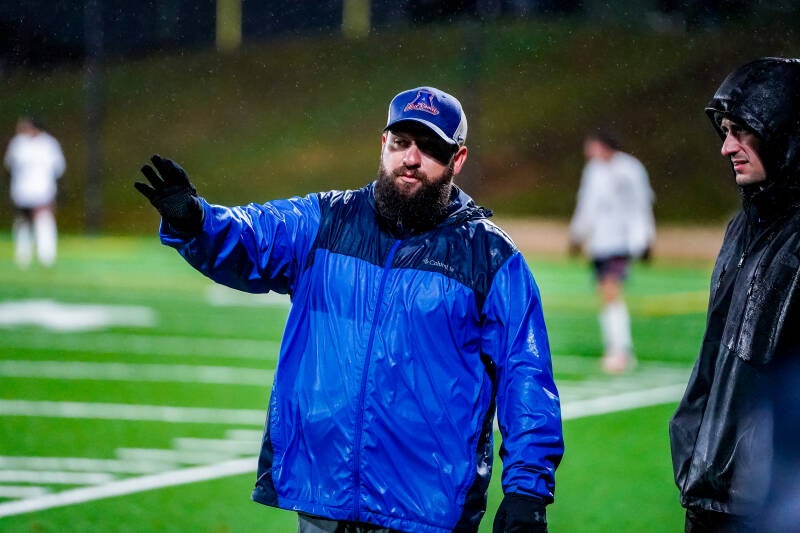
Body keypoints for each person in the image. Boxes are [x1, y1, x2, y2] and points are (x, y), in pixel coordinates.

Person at [135, 86, 563, 533]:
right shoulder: (325, 221)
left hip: (425, 511)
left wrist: (528, 491)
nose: (411, 158)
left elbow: (526, 375)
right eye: (401, 142)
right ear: (383, 144)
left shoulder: (490, 258)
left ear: (457, 160)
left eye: (430, 147)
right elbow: (253, 237)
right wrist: (195, 220)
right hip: (324, 498)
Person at [669, 57, 800, 532]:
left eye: (742, 131)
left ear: (786, 132)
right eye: (725, 131)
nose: (726, 147)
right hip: (711, 496)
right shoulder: (741, 229)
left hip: (772, 507)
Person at [567, 129, 655, 374]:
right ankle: (616, 348)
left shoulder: (630, 169)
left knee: (610, 291)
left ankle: (620, 351)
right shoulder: (593, 171)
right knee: (605, 294)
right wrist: (577, 235)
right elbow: (586, 205)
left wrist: (646, 238)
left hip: (622, 241)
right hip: (600, 243)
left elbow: (641, 204)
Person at [3, 115, 66, 268]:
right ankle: (22, 256)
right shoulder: (18, 143)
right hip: (22, 191)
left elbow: (59, 168)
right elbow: (9, 165)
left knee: (44, 221)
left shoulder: (49, 143)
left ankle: (47, 256)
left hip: (43, 189)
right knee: (22, 222)